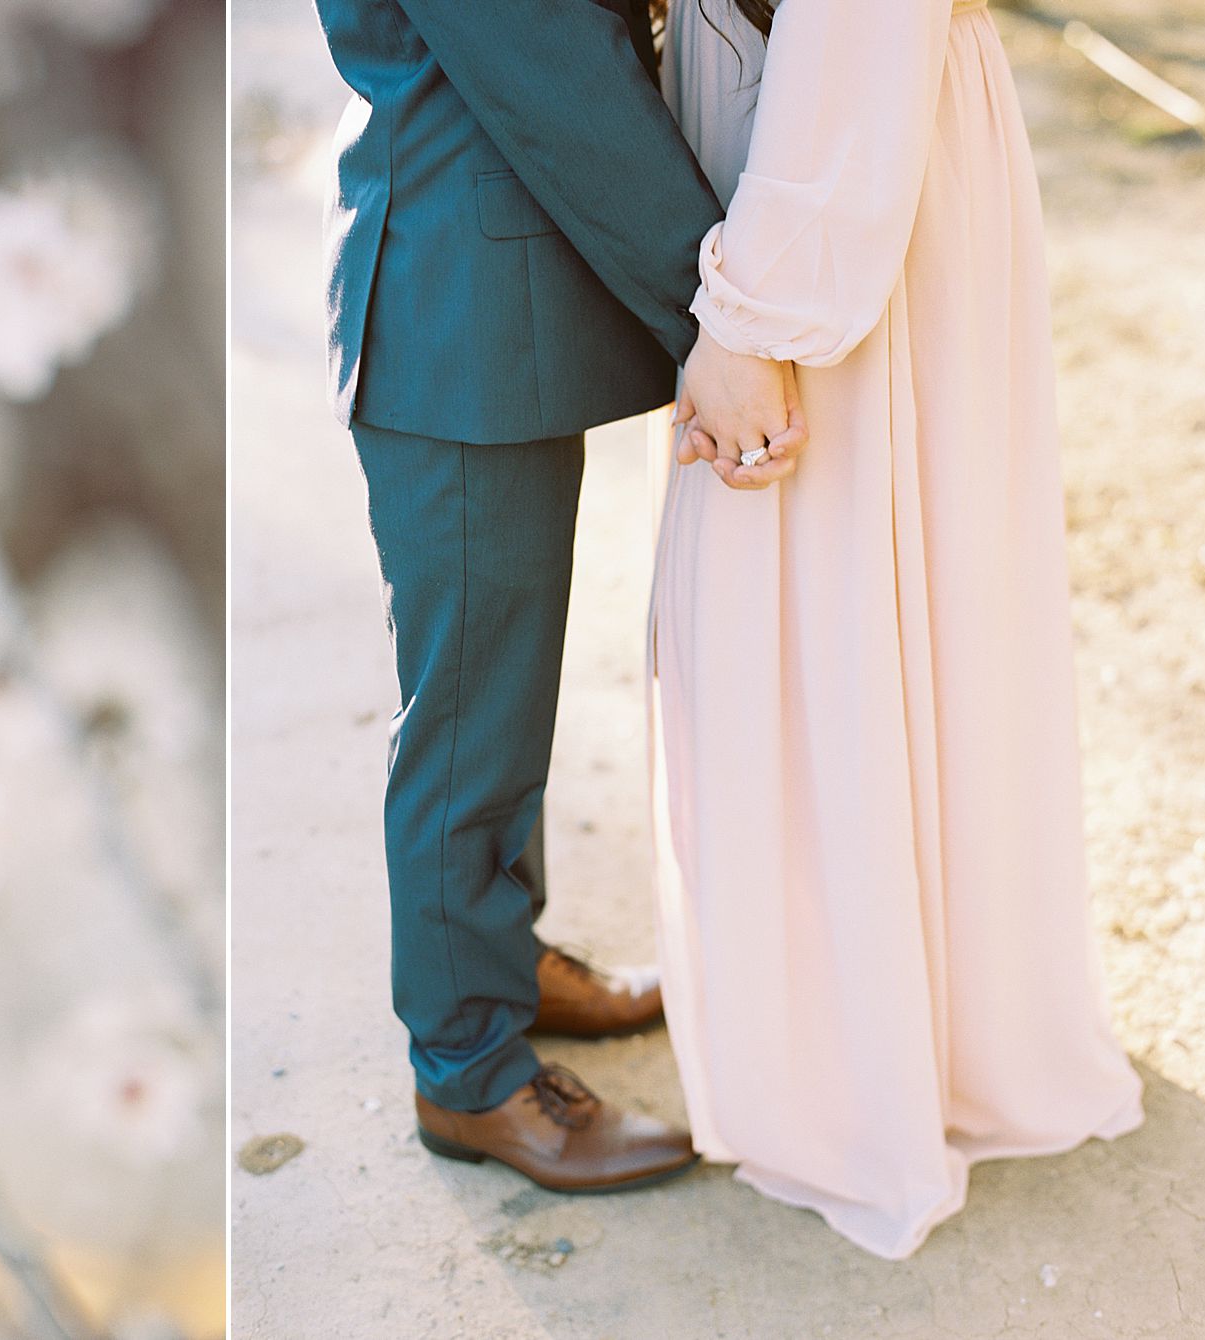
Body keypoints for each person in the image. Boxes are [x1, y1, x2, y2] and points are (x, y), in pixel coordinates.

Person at [650, 0, 1144, 1257]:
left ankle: (864, 1059)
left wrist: (751, 320)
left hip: (851, 177)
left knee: (829, 593)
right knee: (885, 594)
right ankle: (919, 1026)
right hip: (831, 162)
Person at [313, 0, 803, 1194]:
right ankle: (468, 1069)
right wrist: (714, 311)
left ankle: (498, 958)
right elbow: (550, 72)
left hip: (485, 294)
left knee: (498, 686)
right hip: (449, 311)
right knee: (467, 711)